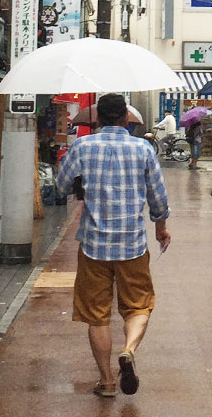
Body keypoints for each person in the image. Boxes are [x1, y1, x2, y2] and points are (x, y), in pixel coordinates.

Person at [56, 93, 171, 397]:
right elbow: (157, 196)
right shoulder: (143, 148)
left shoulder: (82, 145)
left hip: (94, 244)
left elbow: (61, 184)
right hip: (132, 243)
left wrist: (81, 183)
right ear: (125, 119)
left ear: (98, 120)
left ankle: (107, 381)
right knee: (140, 305)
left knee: (97, 315)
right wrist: (160, 227)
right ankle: (129, 350)